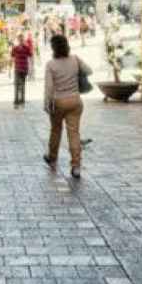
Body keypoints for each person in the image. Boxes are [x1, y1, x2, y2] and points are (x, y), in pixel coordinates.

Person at [43, 34, 91, 178]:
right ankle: (76, 166)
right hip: (75, 101)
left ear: (53, 48)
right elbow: (89, 71)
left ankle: (52, 157)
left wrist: (47, 104)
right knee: (74, 133)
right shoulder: (75, 59)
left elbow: (49, 88)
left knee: (56, 130)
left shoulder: (51, 64)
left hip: (58, 102)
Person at [11, 33, 31, 107]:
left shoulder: (16, 48)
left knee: (17, 85)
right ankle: (21, 101)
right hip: (23, 68)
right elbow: (30, 54)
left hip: (19, 68)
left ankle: (17, 102)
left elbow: (12, 56)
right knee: (22, 85)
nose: (21, 40)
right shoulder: (26, 47)